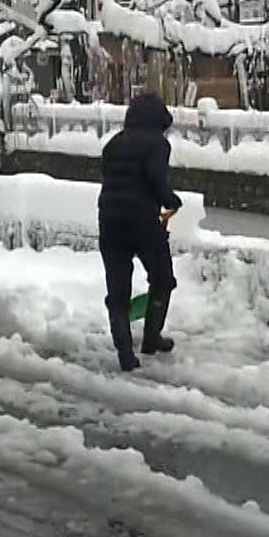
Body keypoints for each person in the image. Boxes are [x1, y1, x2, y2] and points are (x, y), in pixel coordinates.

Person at [97, 93, 181, 371]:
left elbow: (110, 178)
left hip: (110, 221)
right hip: (142, 222)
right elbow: (156, 178)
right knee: (162, 279)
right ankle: (151, 338)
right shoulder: (158, 144)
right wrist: (172, 201)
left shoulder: (112, 144)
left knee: (117, 291)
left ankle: (124, 353)